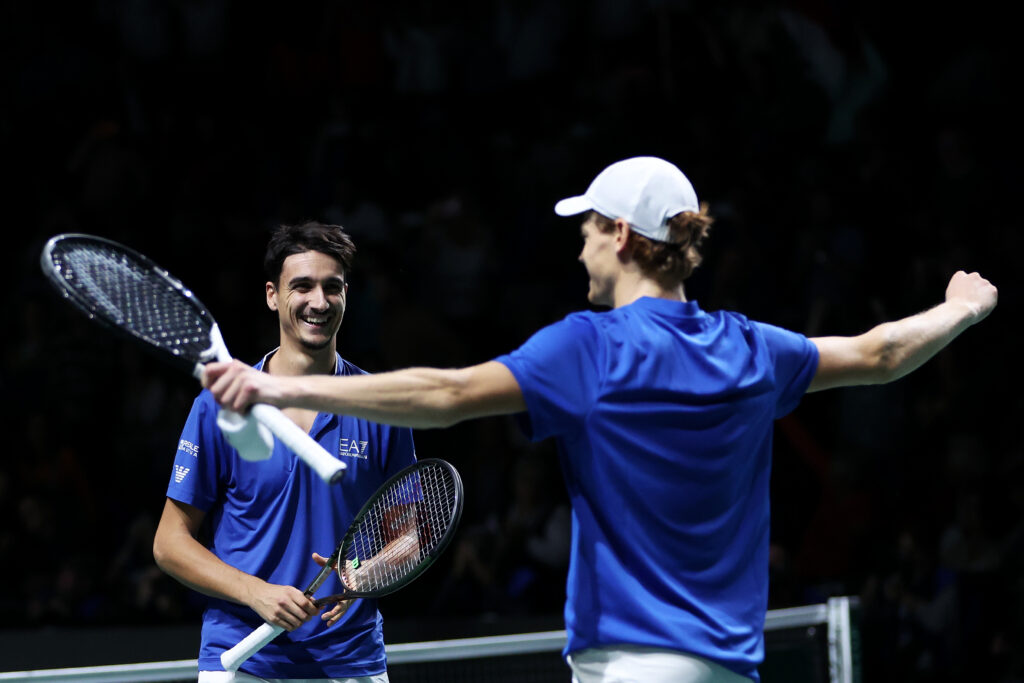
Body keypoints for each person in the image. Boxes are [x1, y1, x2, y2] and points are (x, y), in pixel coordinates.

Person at [201, 157, 998, 682]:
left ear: (621, 235)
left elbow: (445, 394)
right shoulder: (752, 348)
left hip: (629, 664)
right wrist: (962, 308)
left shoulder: (591, 348)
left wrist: (277, 392)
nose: (580, 249)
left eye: (586, 230)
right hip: (731, 664)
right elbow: (882, 352)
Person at [153, 221, 416, 682]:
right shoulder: (220, 406)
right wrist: (255, 592)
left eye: (332, 287)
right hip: (241, 661)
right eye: (303, 286)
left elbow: (409, 538)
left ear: (346, 295)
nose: (319, 302)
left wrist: (362, 577)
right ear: (273, 295)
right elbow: (170, 544)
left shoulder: (381, 406)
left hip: (351, 663)